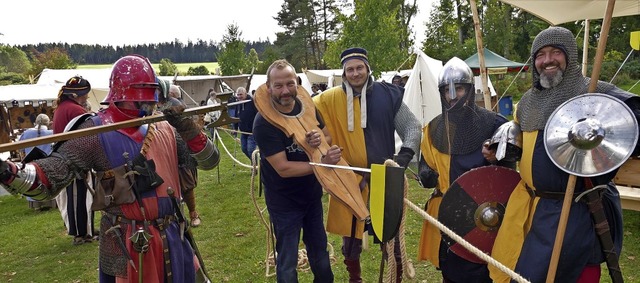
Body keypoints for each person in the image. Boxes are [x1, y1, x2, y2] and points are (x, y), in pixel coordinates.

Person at [0, 54, 220, 282]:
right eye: (140, 99)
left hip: (173, 234)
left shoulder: (165, 126)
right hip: (129, 242)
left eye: (149, 97)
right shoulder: (94, 132)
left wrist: (188, 129)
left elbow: (209, 161)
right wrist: (10, 171)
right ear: (121, 96)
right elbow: (55, 171)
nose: (148, 105)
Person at [489, 26, 640, 283]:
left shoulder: (594, 93)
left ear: (569, 56)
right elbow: (526, 144)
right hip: (533, 206)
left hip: (575, 208)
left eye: (555, 52)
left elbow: (632, 121)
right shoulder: (528, 102)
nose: (547, 60)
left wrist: (597, 132)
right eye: (540, 54)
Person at [313, 47, 422, 282]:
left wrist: (402, 159)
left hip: (384, 175)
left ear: (367, 68)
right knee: (350, 238)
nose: (355, 73)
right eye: (349, 69)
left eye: (359, 67)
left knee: (389, 234)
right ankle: (355, 279)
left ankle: (394, 276)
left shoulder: (387, 94)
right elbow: (304, 114)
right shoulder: (329, 99)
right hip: (347, 177)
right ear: (343, 73)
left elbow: (412, 127)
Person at [415, 57, 514, 283]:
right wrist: (426, 175)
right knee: (450, 270)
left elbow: (508, 176)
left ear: (469, 89)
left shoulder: (494, 124)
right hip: (449, 214)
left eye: (458, 88)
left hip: (485, 213)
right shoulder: (433, 129)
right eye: (447, 90)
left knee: (483, 270)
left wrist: (495, 158)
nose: (452, 96)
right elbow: (426, 170)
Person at [253, 59, 336, 282]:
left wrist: (318, 140)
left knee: (320, 255)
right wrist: (322, 165)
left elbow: (327, 136)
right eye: (278, 86)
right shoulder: (263, 123)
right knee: (288, 263)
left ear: (297, 83)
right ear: (268, 87)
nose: (285, 91)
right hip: (284, 202)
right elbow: (283, 168)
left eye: (290, 84)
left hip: (311, 196)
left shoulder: (307, 106)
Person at [52, 76, 96, 245]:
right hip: (75, 158)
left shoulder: (63, 107)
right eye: (84, 94)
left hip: (67, 156)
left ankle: (86, 229)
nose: (86, 97)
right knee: (79, 196)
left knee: (79, 196)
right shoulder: (75, 110)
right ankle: (81, 234)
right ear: (77, 95)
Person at [163, 83, 203, 227]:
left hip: (181, 147)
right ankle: (174, 215)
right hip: (165, 147)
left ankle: (193, 214)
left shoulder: (176, 104)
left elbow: (187, 127)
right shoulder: (160, 104)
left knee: (186, 185)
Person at [18, 113, 54, 210]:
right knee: (48, 181)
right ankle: (50, 203)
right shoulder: (52, 133)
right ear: (48, 123)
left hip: (31, 164)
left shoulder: (26, 133)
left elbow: (20, 149)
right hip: (48, 163)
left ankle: (37, 206)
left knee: (33, 182)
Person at [234, 86, 258, 159]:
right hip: (243, 132)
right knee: (244, 149)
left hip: (252, 132)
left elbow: (258, 114)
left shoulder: (252, 102)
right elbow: (235, 117)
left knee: (251, 150)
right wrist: (235, 129)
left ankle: (257, 165)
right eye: (238, 95)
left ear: (245, 94)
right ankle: (255, 163)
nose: (239, 96)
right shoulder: (238, 104)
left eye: (241, 94)